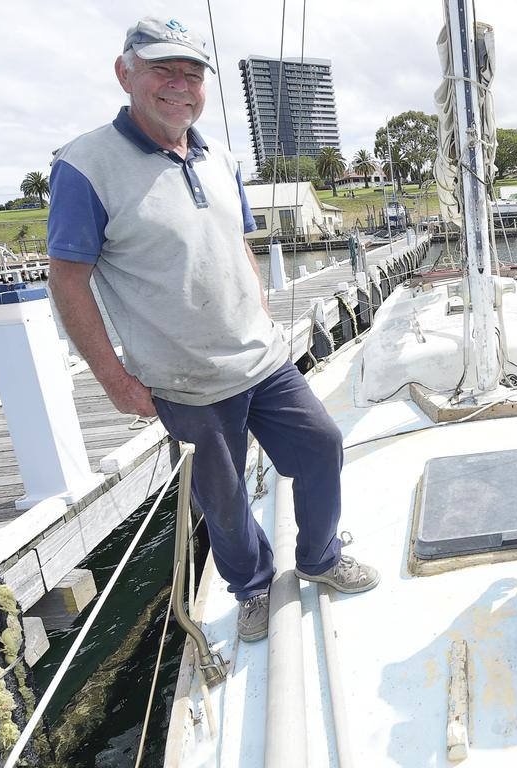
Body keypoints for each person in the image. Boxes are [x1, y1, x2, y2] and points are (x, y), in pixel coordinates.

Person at [46, 16, 378, 644]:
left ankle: (320, 557)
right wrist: (114, 379)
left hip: (264, 359)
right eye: (162, 70)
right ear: (125, 73)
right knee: (222, 503)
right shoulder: (85, 166)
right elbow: (67, 281)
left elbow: (236, 244)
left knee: (321, 446)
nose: (180, 84)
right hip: (185, 381)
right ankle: (252, 588)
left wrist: (255, 307)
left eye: (192, 73)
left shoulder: (219, 154)